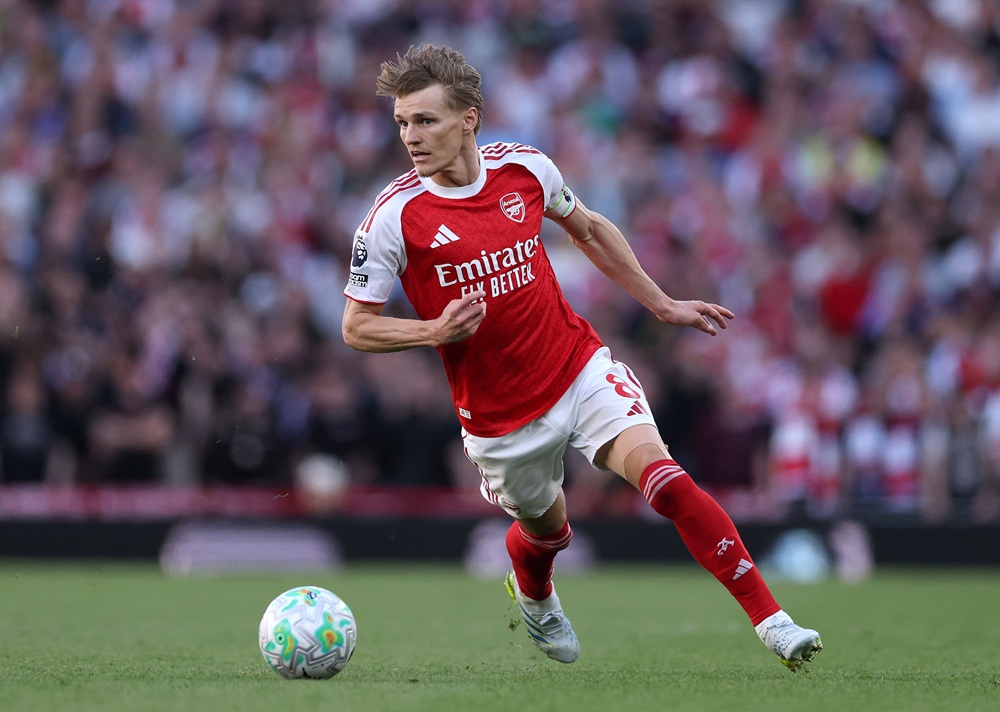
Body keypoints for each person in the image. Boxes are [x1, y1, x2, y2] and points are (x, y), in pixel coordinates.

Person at [342, 44, 822, 672]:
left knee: (665, 480)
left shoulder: (526, 170)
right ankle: (536, 594)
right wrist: (432, 329)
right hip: (498, 415)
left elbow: (589, 228)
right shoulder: (393, 217)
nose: (411, 136)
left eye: (425, 120)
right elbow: (357, 327)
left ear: (470, 118)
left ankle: (774, 623)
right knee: (548, 531)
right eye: (403, 122)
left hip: (576, 367)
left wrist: (662, 304)